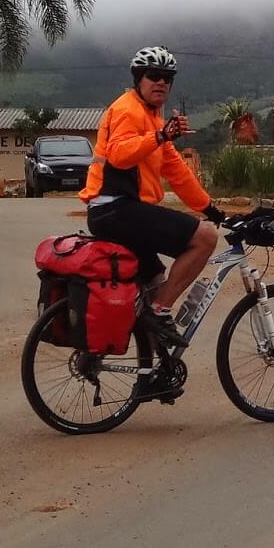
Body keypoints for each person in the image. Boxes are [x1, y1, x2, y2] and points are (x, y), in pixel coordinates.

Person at [80, 46, 226, 349]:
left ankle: (154, 366)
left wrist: (210, 209)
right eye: (153, 76)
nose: (161, 82)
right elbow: (118, 155)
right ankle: (159, 313)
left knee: (156, 281)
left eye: (167, 78)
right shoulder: (128, 110)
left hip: (121, 212)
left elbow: (177, 171)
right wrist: (160, 136)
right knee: (205, 238)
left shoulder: (153, 119)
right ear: (138, 79)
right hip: (115, 209)